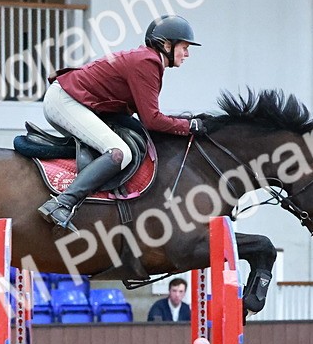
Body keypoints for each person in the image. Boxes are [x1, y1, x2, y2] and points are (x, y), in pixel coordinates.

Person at [37, 14, 205, 231]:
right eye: (184, 47)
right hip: (65, 101)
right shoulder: (148, 62)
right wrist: (189, 126)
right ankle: (62, 203)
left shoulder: (148, 60)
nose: (187, 54)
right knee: (119, 152)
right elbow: (152, 119)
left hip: (71, 100)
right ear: (166, 44)